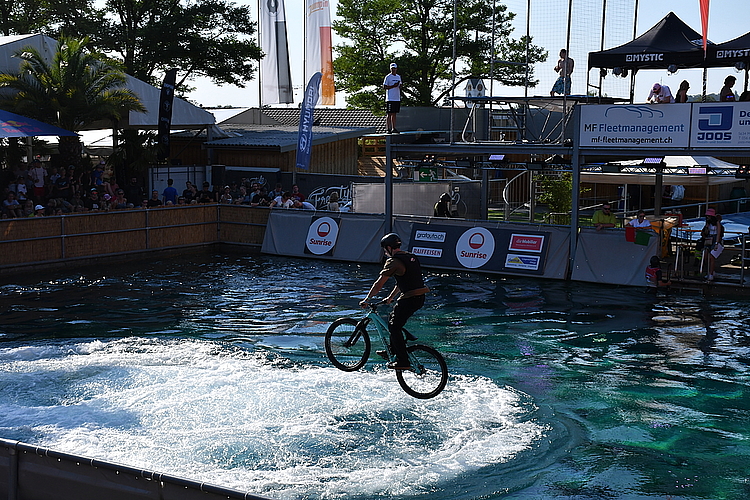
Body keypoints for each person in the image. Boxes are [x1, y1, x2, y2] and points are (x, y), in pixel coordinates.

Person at [359, 233, 429, 370]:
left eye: (385, 249)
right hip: (420, 297)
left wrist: (367, 299)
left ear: (390, 248)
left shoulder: (394, 261)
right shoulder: (410, 257)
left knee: (394, 327)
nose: (385, 252)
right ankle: (393, 350)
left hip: (410, 298)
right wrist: (390, 297)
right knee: (393, 319)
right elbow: (402, 281)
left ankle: (403, 361)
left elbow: (379, 284)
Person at [699, 208, 724, 281]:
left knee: (712, 257)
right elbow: (704, 232)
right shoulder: (708, 223)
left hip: (715, 239)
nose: (707, 217)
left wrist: (716, 243)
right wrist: (706, 228)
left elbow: (719, 233)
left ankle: (711, 273)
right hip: (709, 239)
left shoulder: (717, 223)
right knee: (706, 257)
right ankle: (711, 271)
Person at [383, 62, 402, 134]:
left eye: (395, 68)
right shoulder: (388, 77)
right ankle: (388, 128)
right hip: (390, 98)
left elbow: (400, 85)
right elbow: (384, 87)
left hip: (397, 98)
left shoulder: (398, 77)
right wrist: (393, 86)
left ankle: (394, 128)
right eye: (392, 68)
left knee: (394, 113)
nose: (393, 70)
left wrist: (400, 86)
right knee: (389, 113)